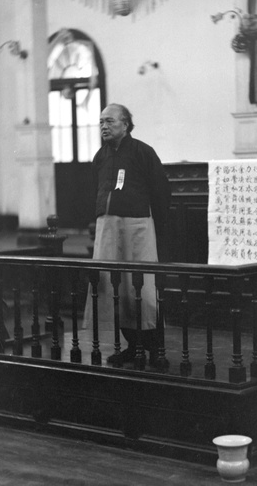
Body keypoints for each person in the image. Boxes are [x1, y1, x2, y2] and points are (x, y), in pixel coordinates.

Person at [82, 103, 170, 365]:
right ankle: (133, 345)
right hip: (108, 228)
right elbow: (94, 192)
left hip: (137, 228)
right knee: (114, 288)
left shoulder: (143, 152)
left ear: (126, 124)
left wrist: (161, 229)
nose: (104, 127)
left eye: (109, 121)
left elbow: (161, 191)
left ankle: (156, 350)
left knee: (142, 288)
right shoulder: (101, 156)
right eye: (101, 122)